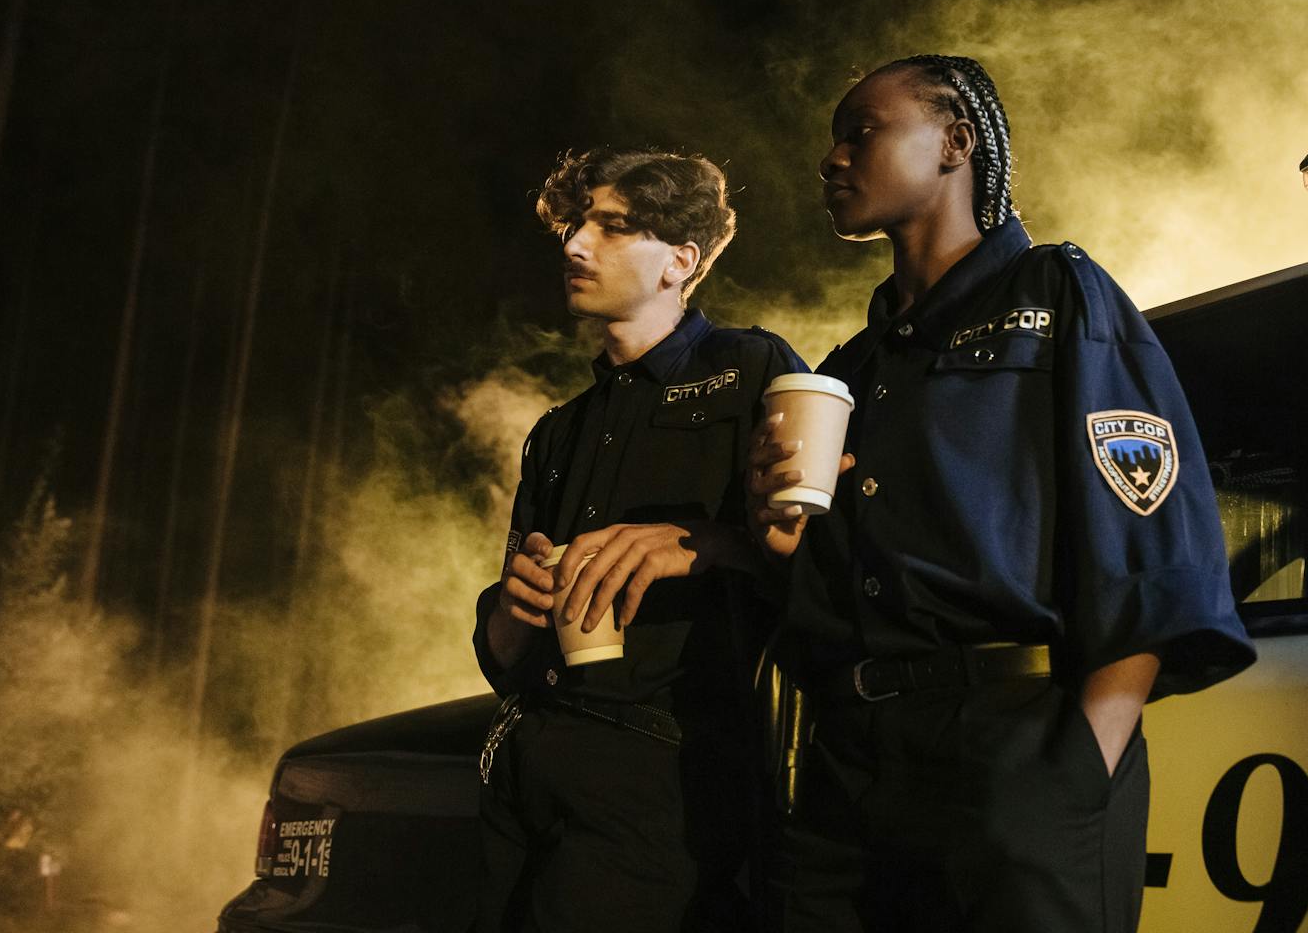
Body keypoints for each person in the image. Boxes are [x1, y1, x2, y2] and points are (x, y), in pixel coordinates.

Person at [750, 54, 1257, 932]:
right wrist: (776, 532)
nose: (831, 159)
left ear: (956, 142)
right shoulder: (850, 371)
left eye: (860, 132)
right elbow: (810, 590)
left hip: (1015, 740)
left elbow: (1147, 518)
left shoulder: (1058, 293)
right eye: (832, 142)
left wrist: (1077, 768)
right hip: (852, 766)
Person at [471, 147, 805, 932]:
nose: (576, 246)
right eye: (576, 225)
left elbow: (824, 563)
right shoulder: (560, 430)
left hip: (663, 772)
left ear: (679, 261)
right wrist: (509, 613)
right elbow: (502, 649)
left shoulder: (751, 370)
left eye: (612, 228)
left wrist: (707, 542)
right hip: (525, 765)